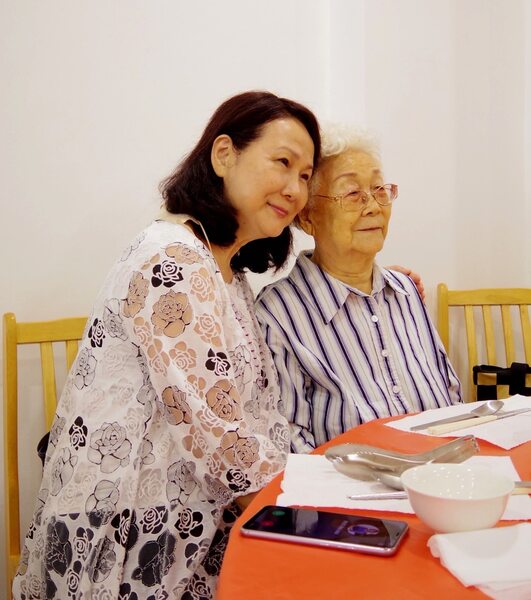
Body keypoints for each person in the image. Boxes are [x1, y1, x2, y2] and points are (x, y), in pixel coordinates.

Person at [13, 91, 320, 599]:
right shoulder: (172, 260)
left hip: (193, 522)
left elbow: (253, 414)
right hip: (125, 533)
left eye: (306, 176)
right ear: (224, 154)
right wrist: (318, 504)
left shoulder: (228, 270)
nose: (294, 189)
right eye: (283, 163)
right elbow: (219, 437)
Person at [256, 124, 462, 453]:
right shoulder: (277, 313)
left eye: (380, 189)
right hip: (350, 485)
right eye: (352, 193)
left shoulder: (406, 291)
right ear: (307, 217)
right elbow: (289, 443)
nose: (373, 206)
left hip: (444, 474)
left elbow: (449, 396)